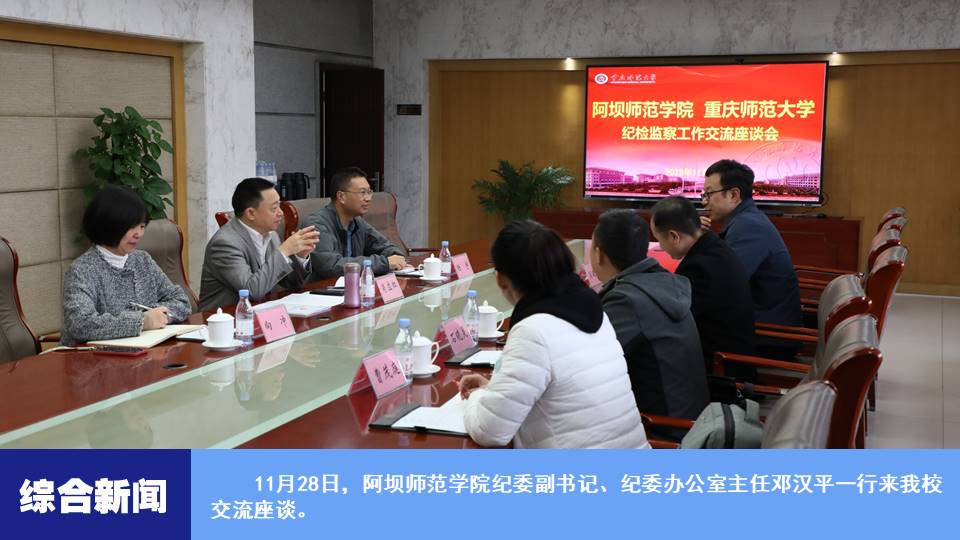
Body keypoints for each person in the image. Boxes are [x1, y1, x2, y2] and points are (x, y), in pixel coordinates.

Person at [459, 220, 649, 449]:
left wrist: (475, 398)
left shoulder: (534, 330)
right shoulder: (595, 312)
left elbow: (490, 431)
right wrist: (494, 391)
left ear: (501, 278)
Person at [590, 209, 709, 420]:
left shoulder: (625, 301)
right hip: (691, 417)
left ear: (598, 254)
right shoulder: (664, 281)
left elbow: (590, 362)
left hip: (662, 427)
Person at [61, 186, 191, 346]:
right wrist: (142, 320)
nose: (139, 234)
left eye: (142, 226)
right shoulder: (82, 270)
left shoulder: (142, 259)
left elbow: (181, 301)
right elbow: (80, 324)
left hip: (145, 353)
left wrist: (158, 316)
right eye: (131, 227)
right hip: (92, 357)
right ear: (108, 225)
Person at [651, 196, 757, 380]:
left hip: (721, 369)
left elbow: (675, 321)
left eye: (659, 240)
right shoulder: (714, 246)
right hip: (733, 354)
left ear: (674, 236)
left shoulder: (698, 268)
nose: (660, 246)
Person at [699, 159, 802, 329]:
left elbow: (722, 285)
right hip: (756, 319)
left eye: (709, 194)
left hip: (767, 333)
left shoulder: (748, 226)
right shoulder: (746, 218)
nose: (704, 201)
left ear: (734, 195)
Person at [199, 177, 319, 311]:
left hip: (262, 312)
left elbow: (291, 283)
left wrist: (300, 257)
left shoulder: (271, 235)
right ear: (251, 213)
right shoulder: (225, 244)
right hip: (225, 317)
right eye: (274, 208)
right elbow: (251, 291)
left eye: (279, 205)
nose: (281, 213)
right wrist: (284, 251)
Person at [304, 167, 407, 278]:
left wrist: (396, 257)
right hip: (322, 287)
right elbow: (330, 266)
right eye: (362, 192)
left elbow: (385, 246)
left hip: (353, 285)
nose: (368, 198)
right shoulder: (317, 224)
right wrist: (384, 263)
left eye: (369, 192)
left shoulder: (357, 222)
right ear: (341, 196)